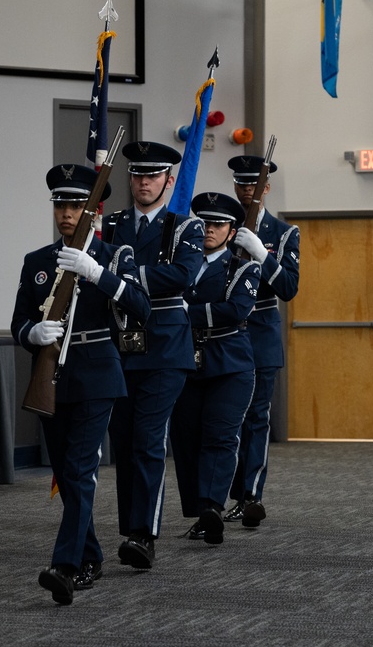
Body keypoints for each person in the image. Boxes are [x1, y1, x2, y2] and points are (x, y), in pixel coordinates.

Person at [11, 164, 151, 605]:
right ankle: (89, 555)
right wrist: (31, 334)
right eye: (60, 204)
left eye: (75, 204)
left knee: (79, 469)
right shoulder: (37, 261)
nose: (67, 213)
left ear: (94, 210)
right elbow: (18, 321)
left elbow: (141, 307)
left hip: (97, 372)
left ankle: (66, 567)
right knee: (65, 474)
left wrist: (96, 272)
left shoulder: (114, 255)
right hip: (52, 374)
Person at [101, 141, 205, 570]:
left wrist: (125, 275)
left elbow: (182, 275)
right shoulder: (112, 224)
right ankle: (132, 529)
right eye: (137, 175)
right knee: (124, 443)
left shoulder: (186, 227)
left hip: (164, 346)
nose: (144, 182)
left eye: (153, 175)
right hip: (118, 345)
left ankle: (144, 535)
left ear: (169, 179)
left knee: (147, 440)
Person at [170, 192, 261, 544]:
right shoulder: (181, 264)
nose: (209, 230)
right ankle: (199, 510)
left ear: (231, 230)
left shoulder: (243, 268)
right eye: (204, 223)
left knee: (220, 436)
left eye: (217, 224)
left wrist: (180, 313)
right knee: (187, 438)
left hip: (229, 363)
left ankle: (211, 507)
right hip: (183, 360)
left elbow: (235, 310)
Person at [222, 155, 301, 528]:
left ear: (265, 187)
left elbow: (288, 288)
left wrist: (261, 254)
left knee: (255, 419)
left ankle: (249, 496)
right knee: (222, 420)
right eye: (240, 185)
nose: (246, 191)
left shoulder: (284, 233)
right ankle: (213, 499)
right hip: (222, 333)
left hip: (260, 336)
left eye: (253, 185)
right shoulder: (220, 226)